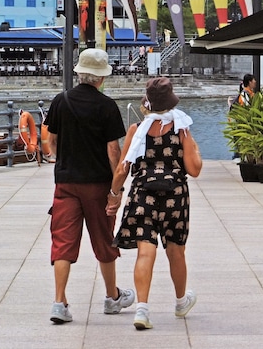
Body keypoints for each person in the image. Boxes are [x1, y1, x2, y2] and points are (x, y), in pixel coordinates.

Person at [45, 48, 134, 324]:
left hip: (67, 183)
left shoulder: (62, 101)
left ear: (81, 74)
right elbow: (112, 151)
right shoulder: (107, 106)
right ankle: (112, 297)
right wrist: (115, 191)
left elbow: (49, 140)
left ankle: (59, 302)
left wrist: (62, 159)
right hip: (97, 185)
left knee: (63, 241)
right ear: (100, 78)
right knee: (104, 239)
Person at [109, 77, 203, 330]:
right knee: (176, 251)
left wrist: (113, 196)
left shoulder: (136, 130)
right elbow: (194, 170)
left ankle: (142, 309)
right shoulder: (181, 129)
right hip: (175, 196)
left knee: (145, 251)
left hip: (142, 194)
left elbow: (121, 170)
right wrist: (190, 143)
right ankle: (181, 302)